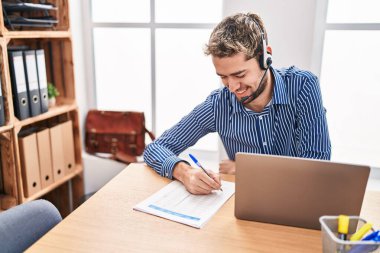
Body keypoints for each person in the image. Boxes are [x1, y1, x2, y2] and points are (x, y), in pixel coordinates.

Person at [144, 12, 331, 195]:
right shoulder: (218, 104)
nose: (232, 87)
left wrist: (246, 170)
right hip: (245, 205)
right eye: (223, 77)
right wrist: (185, 172)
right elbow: (156, 148)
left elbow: (316, 168)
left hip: (296, 199)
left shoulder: (303, 86)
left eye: (240, 75)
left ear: (266, 58)